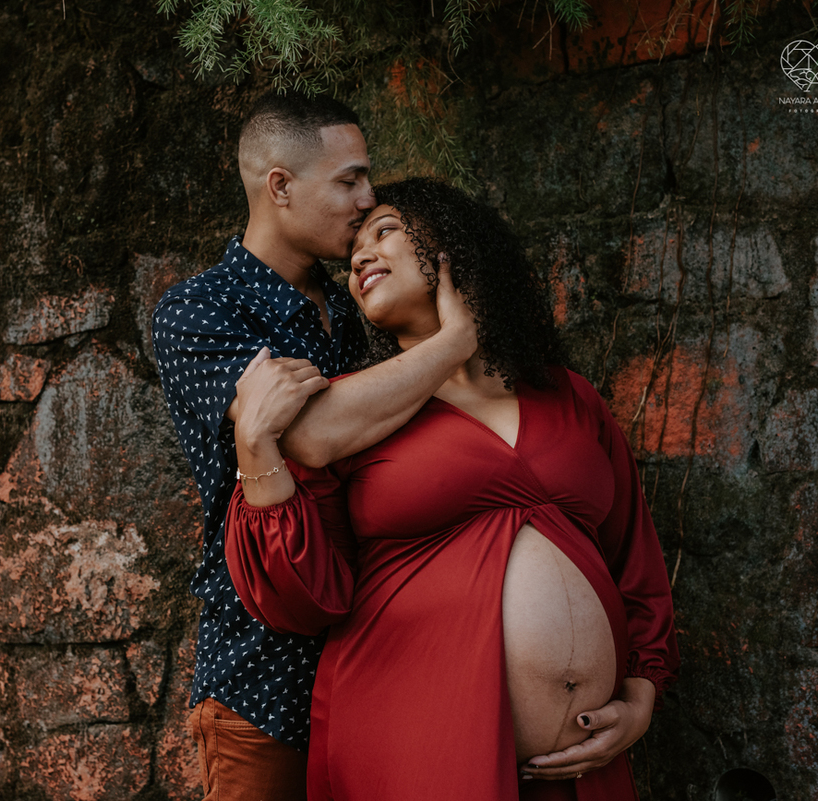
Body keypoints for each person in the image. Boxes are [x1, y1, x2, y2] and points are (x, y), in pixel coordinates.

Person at [224, 178, 680, 800]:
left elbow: (637, 565)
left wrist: (640, 699)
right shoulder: (347, 415)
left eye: (383, 230)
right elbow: (301, 600)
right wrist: (256, 450)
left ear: (455, 249)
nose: (360, 255)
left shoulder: (569, 396)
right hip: (414, 736)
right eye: (353, 250)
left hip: (583, 766)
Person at [151, 94, 480, 800]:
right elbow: (312, 434)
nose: (367, 199)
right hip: (266, 678)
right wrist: (456, 339)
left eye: (368, 181)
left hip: (378, 668)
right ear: (280, 186)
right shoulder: (200, 309)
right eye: (349, 180)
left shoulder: (361, 302)